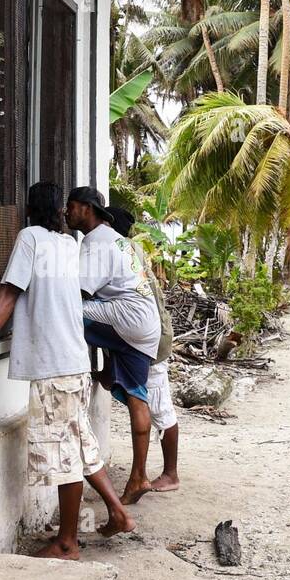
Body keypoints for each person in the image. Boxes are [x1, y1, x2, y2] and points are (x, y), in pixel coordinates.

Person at [0, 183, 135, 559]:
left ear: (29, 209)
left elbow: (10, 290)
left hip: (53, 366)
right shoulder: (67, 245)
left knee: (64, 457)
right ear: (59, 211)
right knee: (79, 445)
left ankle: (67, 542)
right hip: (75, 362)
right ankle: (118, 512)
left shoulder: (30, 238)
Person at [66, 187, 160, 505]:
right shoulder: (117, 239)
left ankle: (71, 371)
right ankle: (139, 477)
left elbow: (76, 293)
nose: (66, 213)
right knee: (138, 397)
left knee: (62, 312)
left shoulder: (96, 242)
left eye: (71, 207)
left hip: (127, 318)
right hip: (145, 324)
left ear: (86, 209)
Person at [107, 207, 180, 494]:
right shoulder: (129, 250)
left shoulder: (124, 251)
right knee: (149, 406)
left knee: (161, 409)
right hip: (148, 339)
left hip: (151, 344)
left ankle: (171, 474)